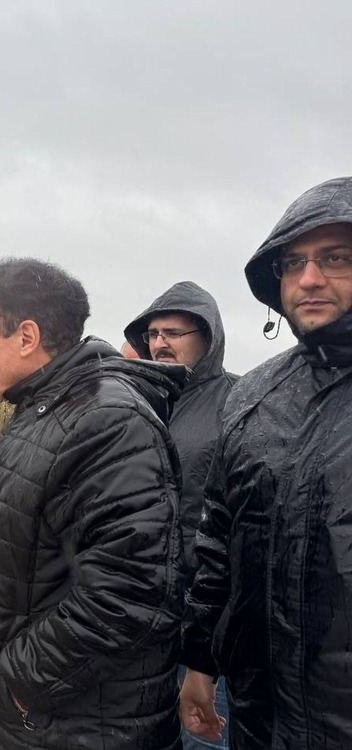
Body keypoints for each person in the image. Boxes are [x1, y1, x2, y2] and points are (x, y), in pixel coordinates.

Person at [0, 258, 186, 749]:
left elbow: (129, 592)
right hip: (39, 725)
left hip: (75, 727)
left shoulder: (107, 422)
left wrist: (20, 683)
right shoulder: (48, 409)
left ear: (26, 337)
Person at [180, 176, 352, 747]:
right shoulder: (254, 396)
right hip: (261, 716)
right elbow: (218, 541)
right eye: (293, 262)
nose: (309, 278)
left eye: (335, 257)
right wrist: (200, 660)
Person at [124, 282, 236, 749]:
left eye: (172, 332)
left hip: (204, 620)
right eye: (152, 334)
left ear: (207, 337)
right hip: (140, 615)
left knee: (202, 739)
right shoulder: (139, 401)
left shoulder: (238, 402)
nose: (159, 343)